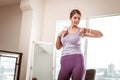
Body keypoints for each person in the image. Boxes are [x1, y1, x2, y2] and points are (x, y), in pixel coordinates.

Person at [55, 9, 103, 80]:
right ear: (70, 18)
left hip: (77, 61)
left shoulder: (80, 31)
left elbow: (100, 34)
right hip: (64, 61)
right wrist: (58, 36)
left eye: (79, 18)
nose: (77, 20)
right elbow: (58, 47)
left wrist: (88, 30)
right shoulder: (64, 31)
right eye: (75, 18)